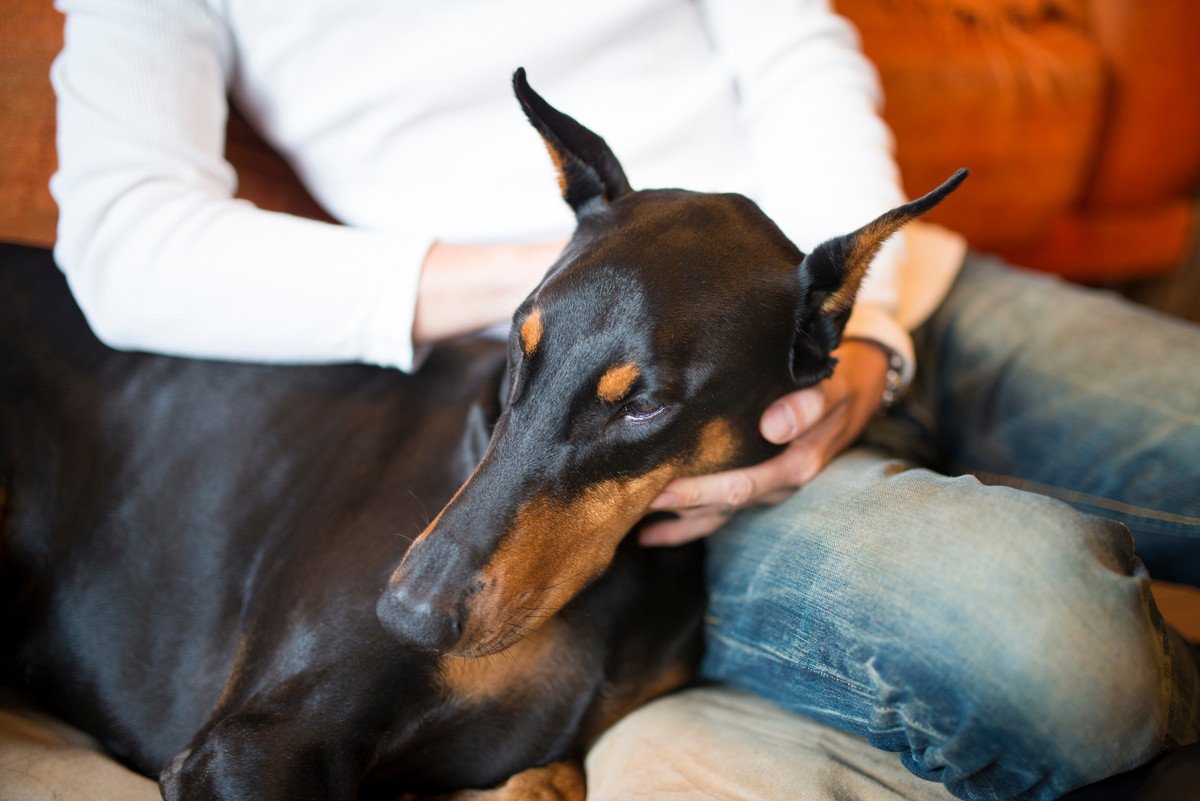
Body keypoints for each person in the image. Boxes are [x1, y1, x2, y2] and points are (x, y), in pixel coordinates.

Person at [49, 0, 1199, 799]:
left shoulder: (870, 295)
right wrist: (597, 281)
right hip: (653, 433)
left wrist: (862, 322)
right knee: (1059, 659)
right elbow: (126, 242)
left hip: (905, 291)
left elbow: (798, 50)